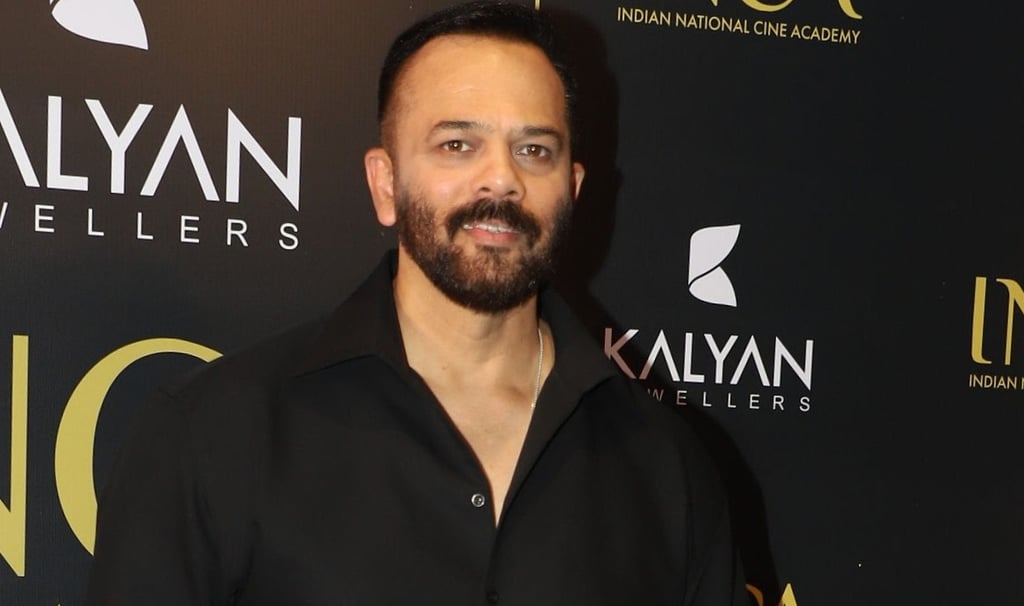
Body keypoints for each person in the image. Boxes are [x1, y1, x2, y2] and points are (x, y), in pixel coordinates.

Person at [85, 1, 746, 604]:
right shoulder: (213, 435)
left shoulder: (667, 467)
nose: (502, 178)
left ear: (571, 189)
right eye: (457, 144)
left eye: (534, 150)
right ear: (385, 184)